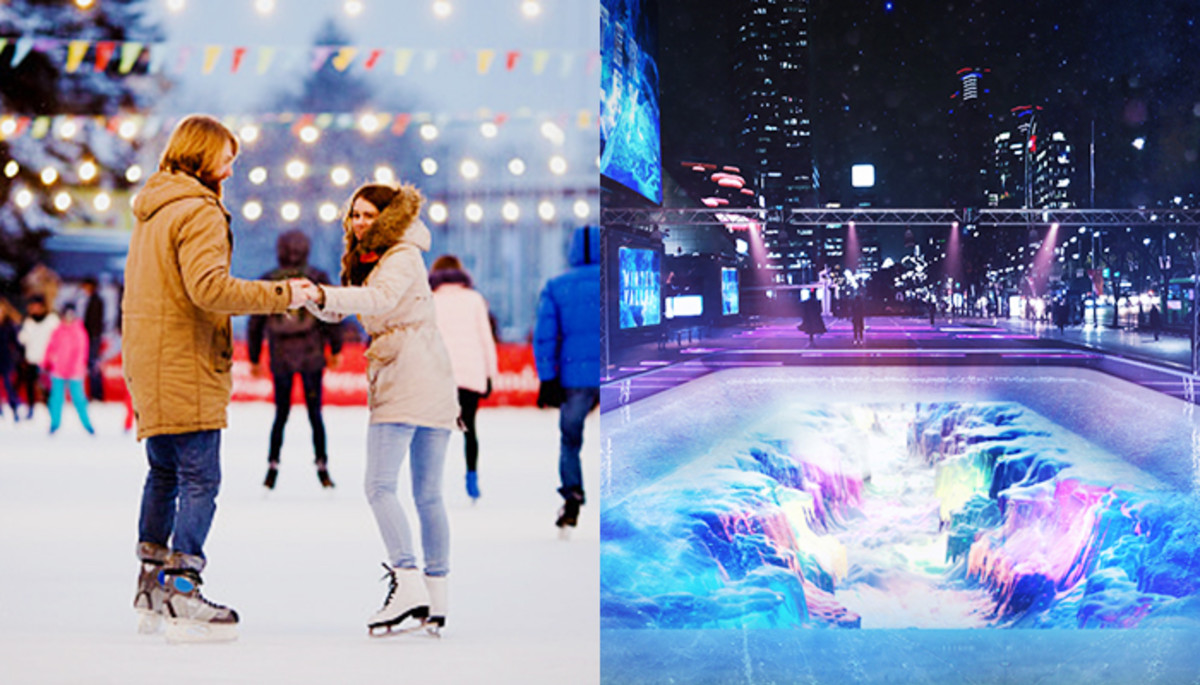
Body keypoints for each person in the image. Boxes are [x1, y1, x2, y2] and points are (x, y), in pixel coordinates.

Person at [123, 114, 311, 642]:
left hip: (151, 358)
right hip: (186, 358)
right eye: (227, 156)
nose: (232, 167)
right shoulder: (198, 212)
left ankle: (150, 583)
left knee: (163, 473)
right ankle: (183, 587)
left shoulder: (152, 209)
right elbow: (210, 290)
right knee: (200, 478)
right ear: (204, 155)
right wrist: (282, 294)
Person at [304, 182, 459, 637]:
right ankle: (437, 598)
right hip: (429, 373)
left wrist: (324, 294)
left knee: (379, 485)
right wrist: (312, 299)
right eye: (354, 215)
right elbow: (351, 306)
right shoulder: (381, 258)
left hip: (407, 373)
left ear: (389, 218)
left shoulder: (401, 255)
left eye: (369, 215)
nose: (359, 223)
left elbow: (377, 301)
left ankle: (409, 582)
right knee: (428, 493)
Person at [248, 229, 344, 490]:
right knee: (315, 413)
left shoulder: (269, 280)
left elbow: (255, 322)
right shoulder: (317, 278)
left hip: (281, 356)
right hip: (312, 355)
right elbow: (331, 315)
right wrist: (335, 349)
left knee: (281, 413)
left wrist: (254, 356)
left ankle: (272, 467)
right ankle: (323, 467)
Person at [533, 225, 600, 535]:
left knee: (570, 439)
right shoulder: (613, 280)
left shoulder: (557, 286)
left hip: (574, 375)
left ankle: (572, 495)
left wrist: (547, 378)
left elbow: (545, 336)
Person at [429, 254, 498, 502]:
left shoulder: (430, 300)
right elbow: (485, 339)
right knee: (469, 428)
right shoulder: (474, 299)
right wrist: (490, 374)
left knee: (437, 430)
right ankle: (472, 476)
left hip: (439, 374)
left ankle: (431, 481)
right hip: (470, 373)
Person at [42, 304, 95, 435]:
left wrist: (73, 368)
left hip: (75, 372)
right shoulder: (58, 330)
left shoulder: (79, 331)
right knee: (56, 399)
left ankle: (87, 425)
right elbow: (50, 347)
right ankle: (54, 424)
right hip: (59, 370)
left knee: (78, 399)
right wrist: (46, 362)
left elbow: (81, 352)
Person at [16, 294, 59, 419]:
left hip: (47, 360)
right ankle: (31, 408)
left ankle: (51, 409)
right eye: (32, 306)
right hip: (32, 358)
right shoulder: (29, 321)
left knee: (48, 387)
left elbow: (58, 338)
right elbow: (22, 339)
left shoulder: (52, 320)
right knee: (30, 384)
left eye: (36, 306)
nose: (33, 308)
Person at [81, 276, 106, 401]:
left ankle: (96, 394)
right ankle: (95, 393)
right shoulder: (92, 299)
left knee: (93, 365)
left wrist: (91, 336)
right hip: (91, 336)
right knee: (92, 365)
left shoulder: (96, 300)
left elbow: (95, 321)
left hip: (93, 337)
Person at [0, 298, 22, 421]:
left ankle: (14, 407)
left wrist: (18, 355)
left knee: (8, 384)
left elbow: (16, 342)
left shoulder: (8, 326)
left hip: (5, 358)